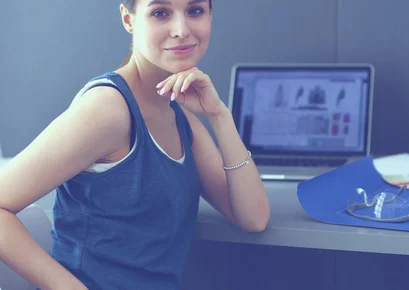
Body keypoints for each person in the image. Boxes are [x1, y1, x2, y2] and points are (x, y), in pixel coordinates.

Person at [0, 0, 270, 289]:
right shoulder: (108, 109)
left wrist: (220, 115)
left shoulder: (181, 117)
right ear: (128, 19)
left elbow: (253, 218)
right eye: (160, 13)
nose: (181, 30)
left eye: (195, 11)